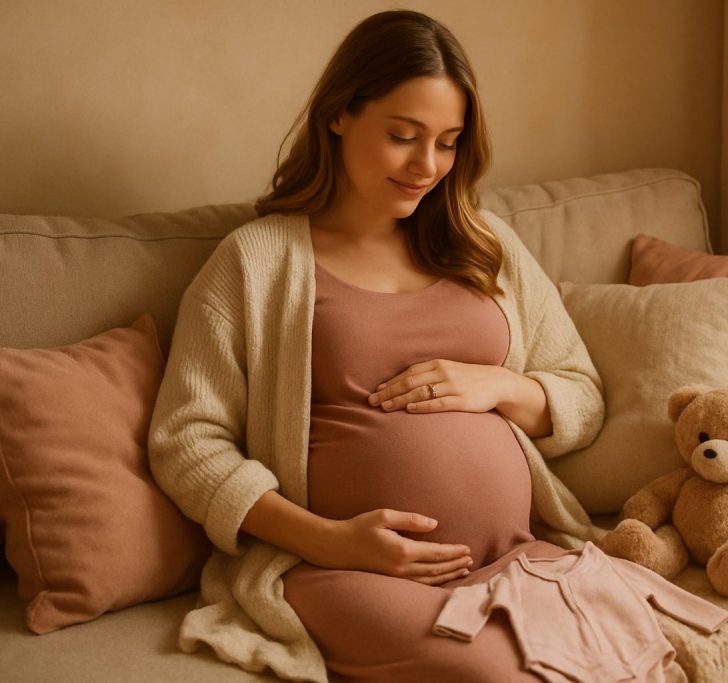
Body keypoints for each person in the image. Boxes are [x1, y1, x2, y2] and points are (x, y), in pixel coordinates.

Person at [148, 10, 606, 682]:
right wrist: (330, 541)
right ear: (340, 114)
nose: (427, 166)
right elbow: (186, 442)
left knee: (629, 652)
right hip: (345, 571)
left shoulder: (485, 244)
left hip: (519, 554)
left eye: (447, 143)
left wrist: (503, 386)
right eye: (403, 136)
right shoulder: (256, 262)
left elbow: (583, 395)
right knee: (503, 676)